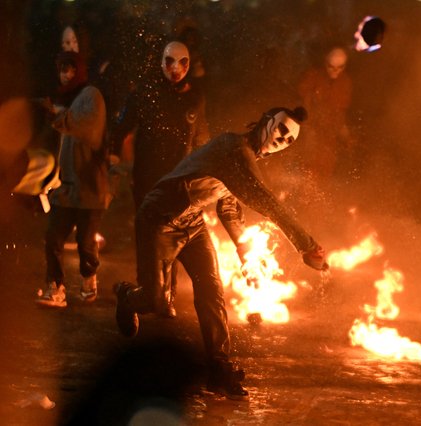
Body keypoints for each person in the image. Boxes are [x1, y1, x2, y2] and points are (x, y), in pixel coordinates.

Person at [113, 106, 328, 400]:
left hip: (193, 224)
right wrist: (306, 244)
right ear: (266, 121)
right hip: (159, 219)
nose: (283, 139)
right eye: (281, 129)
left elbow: (228, 208)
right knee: (156, 302)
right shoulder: (234, 148)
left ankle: (218, 369)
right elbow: (262, 200)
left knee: (212, 291)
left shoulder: (244, 156)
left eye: (290, 139)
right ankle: (127, 296)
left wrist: (247, 257)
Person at [111, 40, 210, 318]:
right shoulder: (146, 92)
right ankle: (145, 290)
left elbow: (201, 136)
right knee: (148, 237)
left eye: (183, 62)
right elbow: (121, 128)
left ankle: (167, 294)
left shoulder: (195, 97)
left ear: (189, 64)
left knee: (174, 236)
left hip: (179, 180)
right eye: (169, 61)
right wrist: (112, 156)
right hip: (147, 179)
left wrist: (207, 169)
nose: (176, 68)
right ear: (161, 61)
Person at [35, 51, 111, 308]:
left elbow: (85, 127)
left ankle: (89, 276)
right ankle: (55, 287)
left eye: (70, 69)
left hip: (90, 187)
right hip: (66, 187)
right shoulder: (64, 100)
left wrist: (56, 115)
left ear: (79, 70)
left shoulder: (91, 96)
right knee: (53, 237)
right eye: (62, 70)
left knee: (85, 243)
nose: (66, 74)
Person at [296, 46, 353, 186]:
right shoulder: (313, 76)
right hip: (311, 128)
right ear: (325, 63)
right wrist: (307, 128)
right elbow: (303, 101)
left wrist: (344, 132)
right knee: (306, 167)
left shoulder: (345, 83)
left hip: (329, 134)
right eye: (331, 67)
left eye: (339, 68)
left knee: (325, 170)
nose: (335, 71)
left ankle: (317, 202)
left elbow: (341, 111)